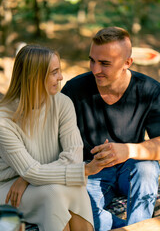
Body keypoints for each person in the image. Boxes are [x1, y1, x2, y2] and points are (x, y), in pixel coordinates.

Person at [61, 26, 160, 231]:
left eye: (105, 63)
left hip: (130, 168)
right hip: (91, 170)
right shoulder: (73, 90)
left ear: (127, 63)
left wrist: (128, 150)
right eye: (92, 60)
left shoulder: (150, 90)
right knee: (88, 220)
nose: (95, 70)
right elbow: (55, 141)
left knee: (147, 168)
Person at [0, 44, 104, 231]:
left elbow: (73, 157)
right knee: (54, 194)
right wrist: (86, 170)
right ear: (34, 78)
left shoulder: (63, 103)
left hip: (31, 181)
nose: (61, 77)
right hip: (9, 189)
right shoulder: (4, 120)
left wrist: (26, 178)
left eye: (60, 70)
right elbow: (31, 170)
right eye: (54, 72)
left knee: (74, 188)